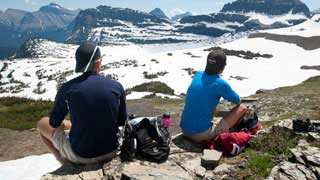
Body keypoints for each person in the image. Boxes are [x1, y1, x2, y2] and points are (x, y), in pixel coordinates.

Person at [37, 42, 127, 165]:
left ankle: (62, 160)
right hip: (111, 151)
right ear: (97, 62)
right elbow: (122, 121)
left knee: (42, 123)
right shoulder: (116, 86)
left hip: (81, 155)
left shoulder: (67, 88)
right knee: (71, 124)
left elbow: (53, 123)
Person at [180, 50, 247, 143]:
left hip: (184, 130)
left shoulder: (198, 75)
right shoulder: (220, 83)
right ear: (223, 67)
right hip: (200, 135)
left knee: (209, 103)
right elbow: (237, 101)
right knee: (242, 108)